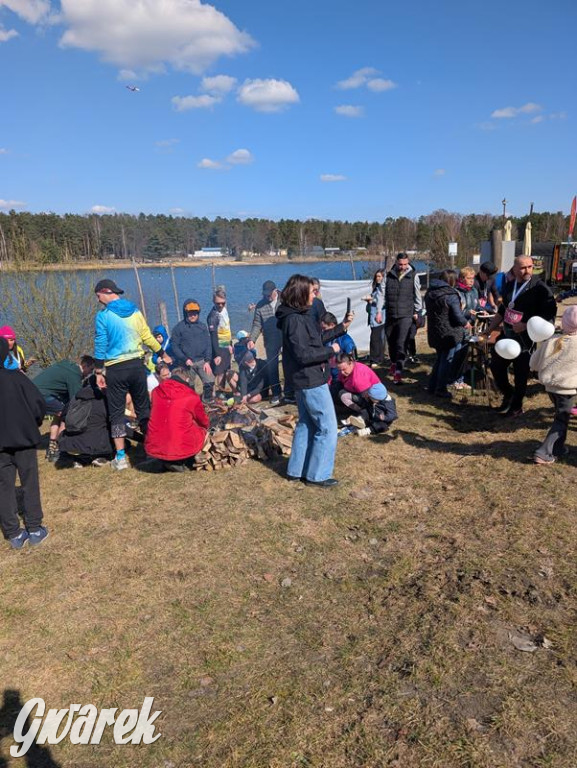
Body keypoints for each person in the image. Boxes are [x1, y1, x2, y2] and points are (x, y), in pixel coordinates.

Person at [93, 278, 169, 471]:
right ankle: (151, 451)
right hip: (137, 366)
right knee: (144, 409)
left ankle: (120, 458)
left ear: (106, 291)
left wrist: (99, 370)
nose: (97, 299)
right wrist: (161, 352)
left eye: (98, 295)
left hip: (116, 369)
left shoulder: (103, 316)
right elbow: (146, 336)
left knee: (117, 413)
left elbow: (101, 343)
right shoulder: (135, 311)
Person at [276, 274, 344, 487]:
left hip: (305, 378)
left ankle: (296, 470)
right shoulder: (295, 320)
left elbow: (312, 343)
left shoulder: (297, 316)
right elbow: (304, 355)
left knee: (306, 424)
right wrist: (330, 352)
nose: (315, 294)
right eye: (312, 291)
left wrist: (340, 329)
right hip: (310, 379)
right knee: (328, 427)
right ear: (300, 293)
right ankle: (318, 475)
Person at [488, 256, 557, 417]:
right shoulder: (510, 286)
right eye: (523, 267)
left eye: (530, 267)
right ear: (514, 269)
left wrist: (525, 325)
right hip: (507, 336)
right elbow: (503, 310)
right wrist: (489, 329)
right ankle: (508, 393)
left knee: (520, 374)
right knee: (496, 366)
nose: (527, 270)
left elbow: (549, 317)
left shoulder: (540, 289)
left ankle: (517, 406)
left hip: (527, 340)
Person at [0, 338, 48, 549]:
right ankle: (35, 528)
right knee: (29, 482)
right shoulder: (17, 379)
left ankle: (13, 533)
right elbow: (38, 403)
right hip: (24, 439)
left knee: (4, 486)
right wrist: (34, 422)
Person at [529, 306, 577, 464]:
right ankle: (543, 452)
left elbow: (533, 362)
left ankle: (558, 448)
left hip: (550, 387)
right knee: (561, 420)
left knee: (561, 416)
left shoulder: (551, 340)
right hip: (567, 388)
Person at [145, 366, 210, 472]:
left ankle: (165, 458)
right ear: (187, 379)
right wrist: (205, 427)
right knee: (201, 431)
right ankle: (181, 461)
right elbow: (203, 421)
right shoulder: (191, 396)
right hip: (179, 447)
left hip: (155, 444)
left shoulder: (156, 392)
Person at [32, 355, 95, 462]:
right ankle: (59, 449)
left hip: (33, 392)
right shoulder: (75, 375)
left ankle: (53, 446)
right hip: (42, 395)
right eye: (91, 369)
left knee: (60, 413)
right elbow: (76, 401)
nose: (91, 373)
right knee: (67, 415)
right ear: (84, 366)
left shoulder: (67, 366)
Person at [424, 270, 471, 398]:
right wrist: (466, 322)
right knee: (446, 360)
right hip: (448, 333)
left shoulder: (430, 292)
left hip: (435, 331)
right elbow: (457, 316)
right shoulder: (450, 294)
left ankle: (432, 386)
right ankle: (440, 388)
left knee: (439, 359)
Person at [58, 376, 114, 468]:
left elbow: (63, 422)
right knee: (116, 437)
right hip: (96, 444)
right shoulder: (102, 401)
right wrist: (141, 438)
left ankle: (80, 459)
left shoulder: (73, 400)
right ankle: (101, 457)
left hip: (71, 445)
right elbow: (117, 427)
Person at [336, 353, 398, 436]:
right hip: (372, 411)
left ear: (350, 363)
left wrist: (384, 418)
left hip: (381, 420)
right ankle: (360, 419)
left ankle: (368, 430)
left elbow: (392, 415)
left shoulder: (386, 403)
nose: (341, 372)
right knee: (365, 412)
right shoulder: (375, 400)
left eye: (344, 369)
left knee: (382, 426)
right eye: (339, 370)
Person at [385, 253, 423, 384]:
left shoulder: (413, 276)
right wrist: (379, 311)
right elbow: (382, 294)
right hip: (390, 315)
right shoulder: (388, 276)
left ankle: (398, 371)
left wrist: (418, 312)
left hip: (406, 315)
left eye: (405, 264)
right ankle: (394, 362)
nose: (402, 267)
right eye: (400, 264)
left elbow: (418, 296)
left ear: (408, 263)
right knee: (391, 342)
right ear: (396, 263)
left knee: (402, 343)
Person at [170, 299, 215, 403]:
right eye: (190, 313)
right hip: (186, 362)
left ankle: (207, 400)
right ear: (186, 313)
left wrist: (207, 361)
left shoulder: (203, 327)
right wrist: (184, 359)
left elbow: (208, 344)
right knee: (188, 384)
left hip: (202, 361)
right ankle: (191, 402)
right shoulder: (178, 328)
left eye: (195, 313)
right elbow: (174, 346)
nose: (193, 315)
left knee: (210, 380)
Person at [248, 281, 284, 405]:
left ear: (276, 291)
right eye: (265, 294)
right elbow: (257, 324)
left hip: (286, 337)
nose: (267, 297)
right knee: (272, 366)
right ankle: (276, 393)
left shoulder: (285, 300)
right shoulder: (260, 305)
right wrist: (252, 339)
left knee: (288, 364)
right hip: (270, 339)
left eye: (269, 294)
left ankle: (290, 392)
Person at [207, 290, 233, 392]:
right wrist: (217, 354)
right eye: (218, 303)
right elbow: (213, 336)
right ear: (213, 301)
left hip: (225, 344)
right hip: (218, 346)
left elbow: (227, 329)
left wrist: (230, 344)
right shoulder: (212, 316)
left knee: (226, 369)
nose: (221, 305)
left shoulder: (224, 311)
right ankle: (217, 393)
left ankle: (222, 391)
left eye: (223, 303)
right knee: (219, 371)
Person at [321, 312, 356, 383]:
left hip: (341, 374)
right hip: (328, 373)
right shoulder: (324, 339)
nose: (322, 331)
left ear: (332, 325)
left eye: (324, 328)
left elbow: (351, 361)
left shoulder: (346, 340)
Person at [363, 269, 386, 367]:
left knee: (375, 338)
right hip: (373, 316)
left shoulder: (384, 289)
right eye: (377, 276)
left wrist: (372, 301)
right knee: (378, 338)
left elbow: (384, 301)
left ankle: (374, 359)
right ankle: (379, 358)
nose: (378, 278)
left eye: (380, 276)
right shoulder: (376, 288)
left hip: (379, 317)